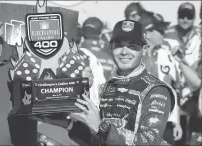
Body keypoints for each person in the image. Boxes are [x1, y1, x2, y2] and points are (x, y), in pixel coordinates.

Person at [33, 20, 176, 145]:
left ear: (144, 50)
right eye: (119, 45)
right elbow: (98, 140)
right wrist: (67, 123)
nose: (124, 51)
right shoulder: (107, 87)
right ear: (111, 47)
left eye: (132, 46)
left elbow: (149, 142)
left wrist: (102, 127)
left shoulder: (156, 90)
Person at [139, 12, 183, 145]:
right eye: (159, 30)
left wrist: (176, 121)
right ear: (147, 32)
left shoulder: (167, 54)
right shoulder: (131, 56)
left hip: (166, 123)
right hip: (140, 123)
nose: (163, 33)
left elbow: (173, 89)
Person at [163, 2, 201, 145]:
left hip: (194, 95)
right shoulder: (167, 34)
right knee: (176, 138)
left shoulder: (199, 35)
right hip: (175, 93)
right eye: (182, 16)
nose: (185, 20)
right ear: (177, 16)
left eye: (189, 17)